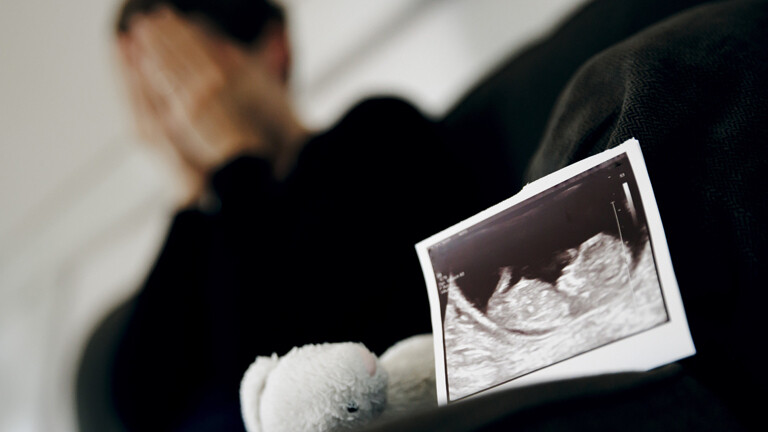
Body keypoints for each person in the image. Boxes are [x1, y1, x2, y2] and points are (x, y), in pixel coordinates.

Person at [78, 0, 767, 430]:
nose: (176, 115)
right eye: (153, 99)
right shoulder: (208, 232)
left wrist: (235, 156)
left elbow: (287, 367)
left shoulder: (374, 137)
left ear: (272, 48)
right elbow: (133, 398)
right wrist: (193, 188)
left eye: (184, 76)